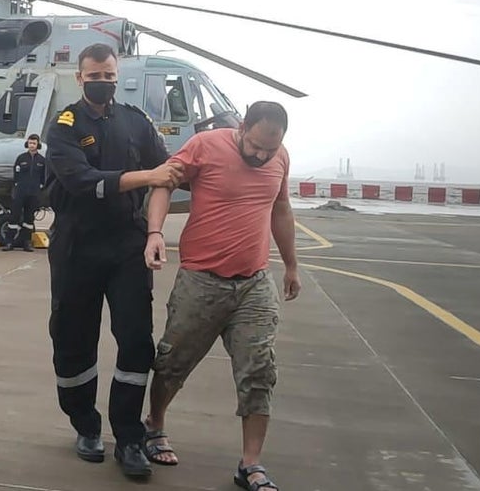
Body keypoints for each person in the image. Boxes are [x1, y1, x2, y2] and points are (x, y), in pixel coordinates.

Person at [141, 101, 300, 491]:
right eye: (258, 146)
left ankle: (251, 464)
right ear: (243, 127)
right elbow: (163, 183)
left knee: (259, 370)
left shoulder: (280, 158)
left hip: (254, 284)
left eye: (271, 149)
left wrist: (292, 266)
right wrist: (155, 232)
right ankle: (155, 425)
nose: (263, 156)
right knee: (173, 361)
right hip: (201, 280)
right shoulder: (205, 145)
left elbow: (281, 209)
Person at [44, 42, 183, 479]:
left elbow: (168, 175)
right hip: (76, 244)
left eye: (109, 75)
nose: (102, 82)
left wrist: (156, 230)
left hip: (127, 244)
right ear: (79, 77)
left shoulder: (137, 123)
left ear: (116, 75)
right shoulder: (64, 125)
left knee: (137, 339)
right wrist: (149, 177)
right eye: (94, 76)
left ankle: (128, 437)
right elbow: (83, 181)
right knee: (73, 338)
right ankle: (85, 424)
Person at [3, 133, 45, 252]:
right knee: (14, 217)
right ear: (27, 144)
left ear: (38, 145)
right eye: (30, 143)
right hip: (20, 192)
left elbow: (44, 176)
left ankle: (26, 243)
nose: (32, 145)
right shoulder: (21, 158)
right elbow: (16, 174)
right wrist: (17, 186)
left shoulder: (42, 160)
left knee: (29, 219)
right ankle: (9, 242)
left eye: (34, 143)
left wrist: (40, 187)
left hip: (33, 193)